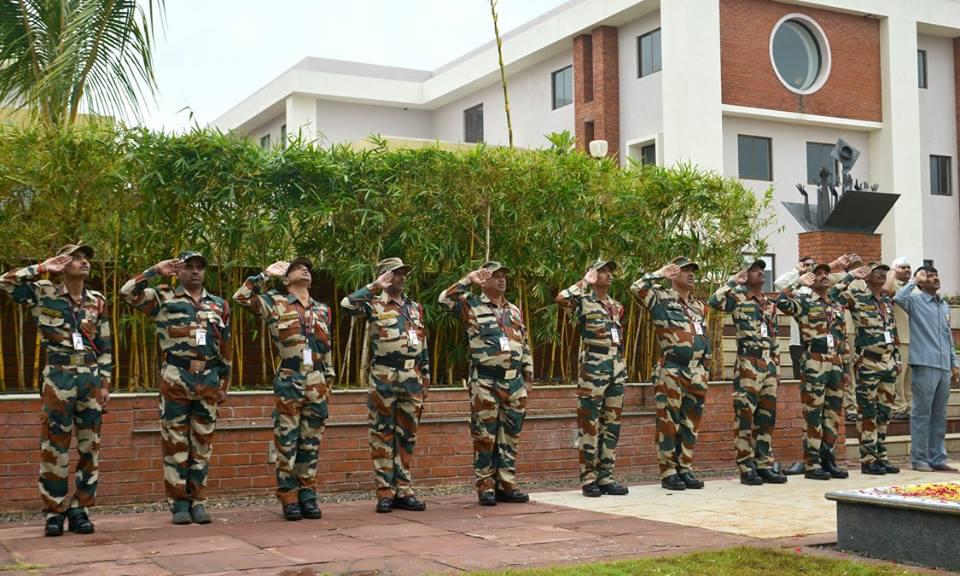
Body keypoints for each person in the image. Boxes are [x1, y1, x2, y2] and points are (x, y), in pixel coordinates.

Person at [0, 244, 112, 536]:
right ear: (62, 263)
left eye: (86, 257)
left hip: (89, 376)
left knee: (90, 447)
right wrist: (42, 267)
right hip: (58, 376)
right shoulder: (43, 292)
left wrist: (105, 382)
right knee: (54, 446)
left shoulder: (97, 300)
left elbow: (105, 343)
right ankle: (54, 511)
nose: (83, 261)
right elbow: (5, 281)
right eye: (76, 257)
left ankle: (81, 509)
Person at [120, 252, 232, 524]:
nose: (195, 272)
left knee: (202, 443)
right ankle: (179, 504)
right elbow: (126, 292)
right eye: (189, 267)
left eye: (199, 268)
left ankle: (199, 501)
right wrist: (155, 270)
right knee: (175, 442)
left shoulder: (219, 305)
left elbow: (225, 347)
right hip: (175, 376)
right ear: (179, 272)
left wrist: (224, 384)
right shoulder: (163, 298)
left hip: (207, 377)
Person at [233, 257, 334, 520]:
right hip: (290, 377)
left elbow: (327, 346)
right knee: (287, 441)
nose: (305, 269)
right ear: (286, 279)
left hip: (317, 380)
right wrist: (265, 274)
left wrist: (329, 378)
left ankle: (308, 496)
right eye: (297, 268)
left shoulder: (322, 309)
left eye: (308, 268)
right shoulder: (274, 302)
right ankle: (288, 498)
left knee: (310, 443)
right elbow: (241, 297)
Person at [439, 261, 533, 506]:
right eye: (495, 276)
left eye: (504, 276)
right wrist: (468, 279)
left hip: (514, 382)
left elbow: (524, 342)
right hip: (486, 380)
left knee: (510, 436)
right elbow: (444, 299)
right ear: (484, 280)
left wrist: (528, 375)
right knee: (484, 436)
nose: (502, 280)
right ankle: (486, 487)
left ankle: (506, 484)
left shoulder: (513, 309)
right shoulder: (471, 305)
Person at [341, 257, 430, 513]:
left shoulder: (414, 308)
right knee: (382, 434)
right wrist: (375, 286)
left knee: (407, 435)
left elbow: (423, 343)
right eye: (395, 274)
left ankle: (404, 490)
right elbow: (346, 305)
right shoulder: (373, 304)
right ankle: (384, 492)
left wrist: (426, 375)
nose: (401, 278)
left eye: (403, 273)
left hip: (411, 376)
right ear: (383, 277)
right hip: (384, 375)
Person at [631, 257, 711, 491]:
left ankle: (685, 468)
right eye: (685, 270)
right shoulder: (660, 298)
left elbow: (702, 334)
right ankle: (668, 472)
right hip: (672, 369)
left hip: (697, 371)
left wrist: (706, 364)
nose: (691, 274)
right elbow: (636, 287)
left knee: (690, 423)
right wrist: (659, 272)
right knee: (668, 423)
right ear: (673, 273)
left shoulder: (698, 305)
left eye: (693, 270)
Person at [708, 260, 787, 485]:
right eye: (754, 270)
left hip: (768, 363)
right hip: (748, 363)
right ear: (744, 274)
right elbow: (714, 302)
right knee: (745, 416)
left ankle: (764, 464)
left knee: (767, 417)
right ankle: (746, 466)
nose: (760, 272)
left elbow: (774, 338)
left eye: (762, 269)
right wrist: (732, 281)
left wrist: (777, 367)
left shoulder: (769, 304)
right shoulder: (738, 298)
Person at [556, 259, 629, 497]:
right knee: (589, 424)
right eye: (602, 271)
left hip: (616, 367)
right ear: (592, 273)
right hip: (593, 368)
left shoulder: (616, 306)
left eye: (610, 272)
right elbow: (561, 298)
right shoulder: (583, 301)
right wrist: (584, 282)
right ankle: (588, 478)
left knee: (612, 425)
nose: (608, 275)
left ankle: (606, 476)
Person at [776, 263, 848, 480]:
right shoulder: (804, 302)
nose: (823, 276)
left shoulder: (836, 305)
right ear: (811, 279)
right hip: (814, 360)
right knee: (814, 414)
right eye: (818, 274)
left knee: (833, 414)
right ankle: (812, 463)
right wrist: (798, 281)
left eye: (826, 273)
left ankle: (828, 459)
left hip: (835, 360)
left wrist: (844, 365)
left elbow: (842, 337)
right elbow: (781, 302)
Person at [830, 263, 901, 475]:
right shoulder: (857, 297)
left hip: (888, 363)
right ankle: (868, 459)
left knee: (884, 413)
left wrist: (897, 358)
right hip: (868, 362)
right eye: (876, 271)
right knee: (868, 412)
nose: (881, 274)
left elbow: (893, 331)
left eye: (884, 271)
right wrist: (851, 276)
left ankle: (881, 455)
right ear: (866, 277)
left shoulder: (887, 301)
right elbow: (834, 294)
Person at [894, 265, 960, 472]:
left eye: (935, 275)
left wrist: (954, 362)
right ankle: (919, 458)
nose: (934, 278)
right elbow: (898, 298)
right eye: (928, 276)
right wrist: (914, 281)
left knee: (939, 414)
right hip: (924, 363)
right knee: (922, 413)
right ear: (921, 281)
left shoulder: (943, 305)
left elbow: (947, 336)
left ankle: (937, 457)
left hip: (943, 365)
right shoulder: (915, 300)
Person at [885, 257, 913, 420]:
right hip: (900, 337)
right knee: (899, 375)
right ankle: (898, 406)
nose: (907, 270)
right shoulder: (892, 284)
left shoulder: (914, 287)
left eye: (908, 267)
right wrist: (893, 272)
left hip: (915, 337)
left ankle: (909, 406)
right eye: (902, 267)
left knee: (910, 377)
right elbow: (887, 291)